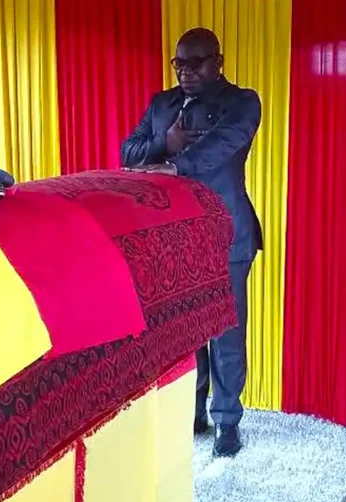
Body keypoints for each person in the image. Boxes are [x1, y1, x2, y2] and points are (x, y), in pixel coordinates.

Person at [121, 27, 262, 457]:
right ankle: (193, 414)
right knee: (184, 331)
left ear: (218, 62)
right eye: (179, 63)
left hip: (226, 235)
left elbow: (223, 144)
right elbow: (128, 152)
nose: (185, 71)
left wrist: (175, 164)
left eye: (195, 62)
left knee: (226, 331)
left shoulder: (242, 102)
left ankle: (227, 422)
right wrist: (164, 142)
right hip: (175, 240)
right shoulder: (162, 104)